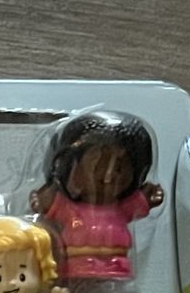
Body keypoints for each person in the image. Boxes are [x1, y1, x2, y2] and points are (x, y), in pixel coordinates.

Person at [31, 111, 164, 281]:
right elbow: (47, 203)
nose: (109, 176)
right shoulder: (68, 208)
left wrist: (149, 197)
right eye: (98, 165)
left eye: (119, 168)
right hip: (77, 266)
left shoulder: (123, 208)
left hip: (118, 266)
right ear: (70, 166)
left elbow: (141, 202)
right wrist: (42, 199)